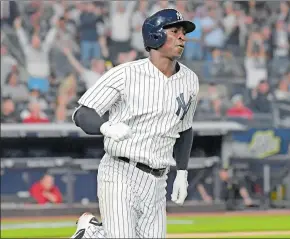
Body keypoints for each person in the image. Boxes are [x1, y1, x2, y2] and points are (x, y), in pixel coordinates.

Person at [70, 9, 199, 239]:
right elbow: (83, 113)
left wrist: (182, 172)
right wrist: (105, 127)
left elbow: (185, 129)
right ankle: (90, 231)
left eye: (184, 32)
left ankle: (92, 233)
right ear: (156, 35)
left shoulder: (190, 80)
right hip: (121, 172)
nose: (182, 37)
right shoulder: (126, 74)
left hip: (158, 181)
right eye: (175, 31)